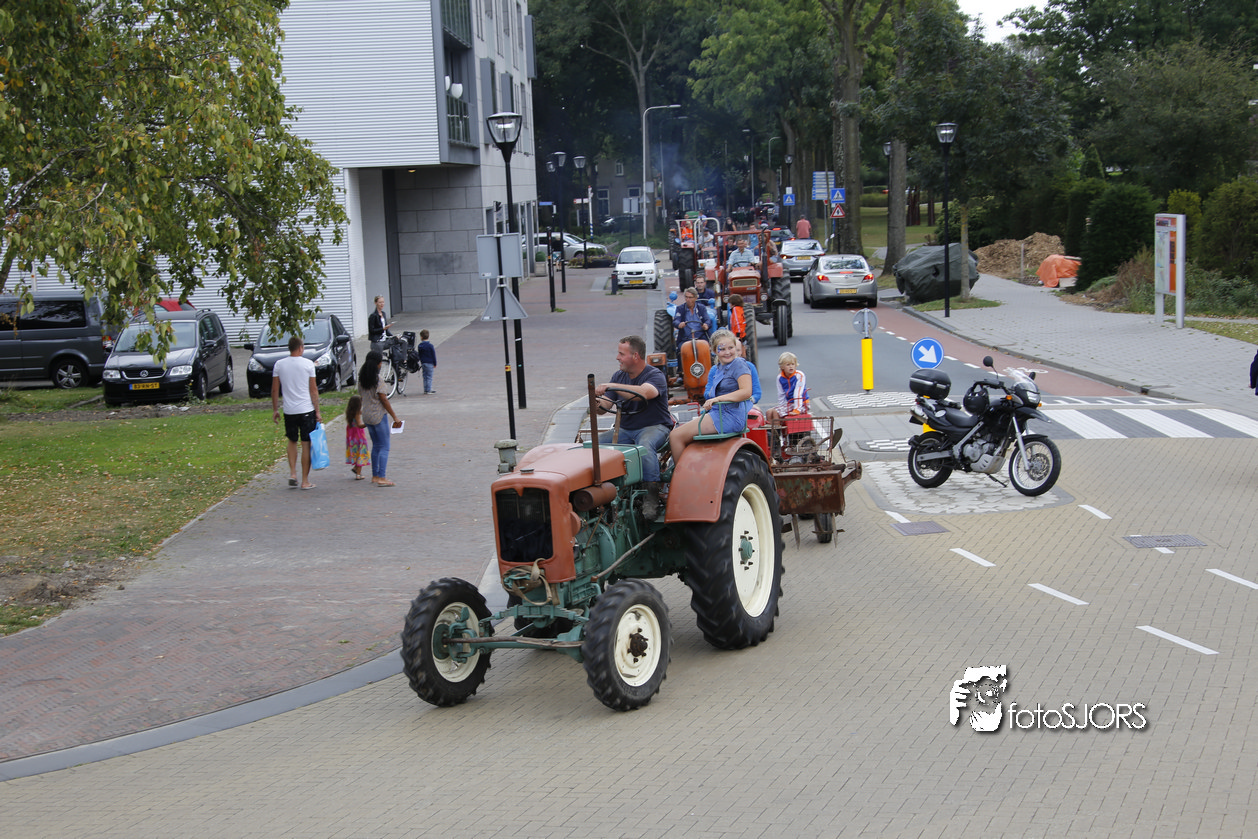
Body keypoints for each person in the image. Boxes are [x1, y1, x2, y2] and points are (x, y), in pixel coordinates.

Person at [594, 335, 675, 518]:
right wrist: (596, 402)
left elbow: (644, 393)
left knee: (644, 446)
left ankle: (651, 496)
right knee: (594, 445)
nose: (617, 358)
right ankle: (603, 491)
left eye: (621, 354)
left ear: (636, 356)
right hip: (625, 430)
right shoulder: (619, 376)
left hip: (655, 427)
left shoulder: (654, 375)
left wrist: (612, 386)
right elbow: (604, 406)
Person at [669, 329, 754, 463]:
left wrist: (717, 399)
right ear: (714, 351)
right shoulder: (718, 368)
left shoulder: (738, 364)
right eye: (722, 349)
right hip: (718, 413)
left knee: (676, 436)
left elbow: (746, 392)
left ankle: (682, 474)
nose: (727, 352)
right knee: (681, 432)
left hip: (729, 416)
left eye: (731, 348)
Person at [271, 336, 322, 490]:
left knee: (292, 440)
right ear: (300, 348)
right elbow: (313, 390)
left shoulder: (279, 365)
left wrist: (275, 409)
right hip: (306, 409)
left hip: (289, 410)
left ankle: (293, 473)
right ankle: (305, 481)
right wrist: (317, 411)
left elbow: (275, 389)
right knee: (306, 444)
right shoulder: (308, 364)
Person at [357, 350, 403, 487]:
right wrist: (394, 416)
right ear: (378, 364)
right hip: (378, 415)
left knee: (376, 445)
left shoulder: (362, 379)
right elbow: (384, 400)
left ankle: (375, 475)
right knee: (384, 446)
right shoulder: (378, 380)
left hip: (367, 416)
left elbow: (361, 397)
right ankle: (382, 477)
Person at [766, 351, 808, 424]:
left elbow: (798, 393)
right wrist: (781, 407)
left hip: (801, 404)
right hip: (790, 403)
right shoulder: (780, 377)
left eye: (793, 364)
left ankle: (778, 429)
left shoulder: (799, 375)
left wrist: (797, 409)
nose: (791, 366)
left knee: (776, 412)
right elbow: (781, 394)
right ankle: (772, 429)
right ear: (782, 366)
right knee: (769, 412)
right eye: (788, 365)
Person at [674, 287, 715, 351]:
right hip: (685, 338)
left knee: (706, 349)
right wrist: (679, 324)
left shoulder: (701, 308)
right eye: (686, 297)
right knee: (681, 349)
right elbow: (676, 320)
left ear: (696, 298)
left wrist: (706, 325)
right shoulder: (680, 308)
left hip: (701, 337)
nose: (688, 300)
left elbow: (707, 319)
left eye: (690, 297)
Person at [344, 394, 369, 480]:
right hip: (359, 436)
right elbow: (360, 425)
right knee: (361, 453)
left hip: (352, 437)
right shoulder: (357, 414)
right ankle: (358, 474)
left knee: (356, 452)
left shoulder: (350, 413)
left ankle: (355, 468)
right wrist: (368, 423)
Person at [418, 328, 437, 394]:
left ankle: (426, 389)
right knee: (429, 377)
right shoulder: (430, 346)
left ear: (421, 337)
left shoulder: (420, 346)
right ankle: (429, 389)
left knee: (425, 376)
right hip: (430, 362)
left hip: (423, 363)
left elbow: (419, 354)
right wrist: (435, 363)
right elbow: (433, 355)